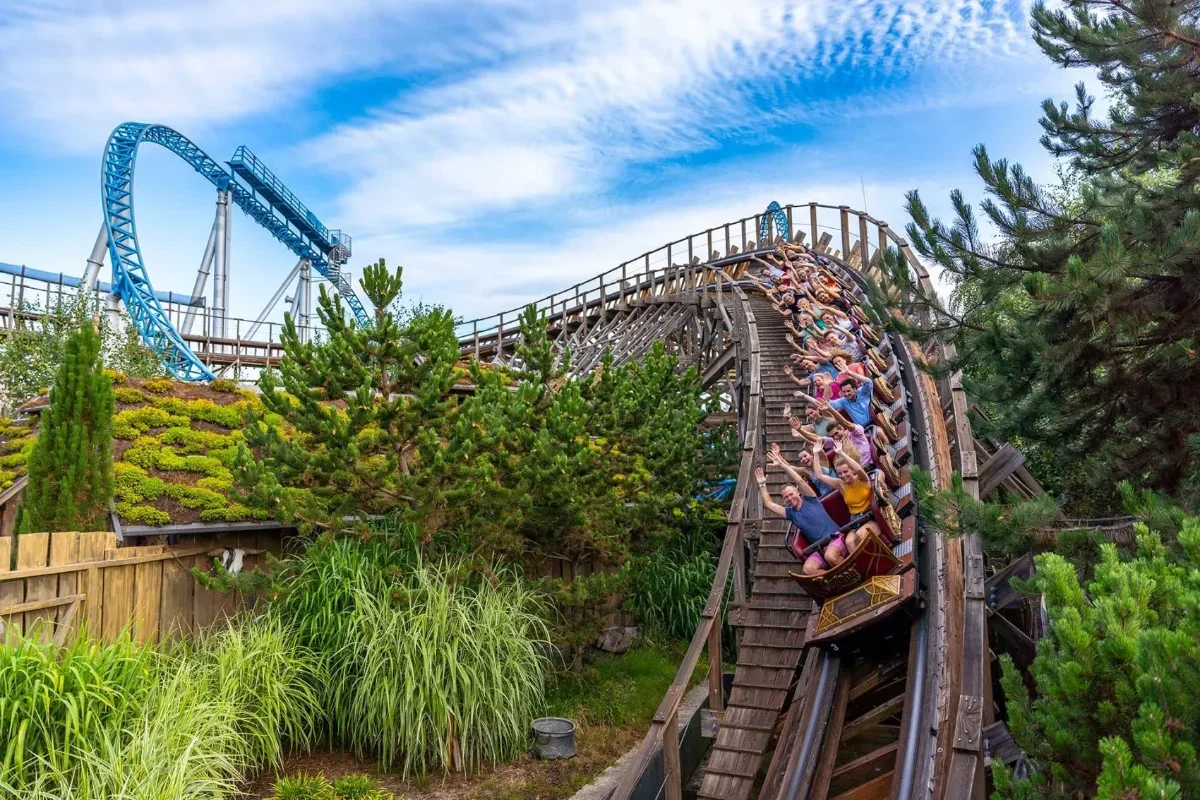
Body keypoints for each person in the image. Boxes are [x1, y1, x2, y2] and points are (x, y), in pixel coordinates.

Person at [755, 446, 842, 576]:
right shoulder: (791, 513)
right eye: (786, 497)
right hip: (820, 547)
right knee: (808, 569)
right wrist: (762, 484)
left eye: (791, 494)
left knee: (831, 556)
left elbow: (799, 480)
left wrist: (782, 465)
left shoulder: (811, 499)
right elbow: (769, 504)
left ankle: (852, 573)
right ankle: (836, 580)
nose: (790, 498)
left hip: (835, 537)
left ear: (798, 493)